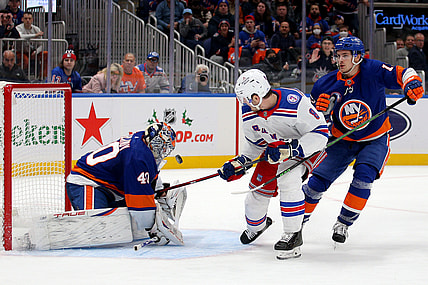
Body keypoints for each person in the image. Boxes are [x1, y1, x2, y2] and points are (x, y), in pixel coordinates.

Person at [303, 36, 424, 244]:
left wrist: (412, 83)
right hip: (340, 139)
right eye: (338, 55)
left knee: (364, 177)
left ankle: (343, 223)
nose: (340, 60)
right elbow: (310, 123)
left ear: (358, 57)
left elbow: (405, 73)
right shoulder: (324, 84)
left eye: (345, 55)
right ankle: (296, 220)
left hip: (375, 138)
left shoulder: (373, 69)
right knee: (317, 182)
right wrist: (319, 112)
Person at [218, 69, 328, 260]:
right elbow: (254, 145)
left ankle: (293, 235)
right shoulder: (249, 111)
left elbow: (321, 134)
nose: (243, 103)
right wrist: (240, 161)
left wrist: (293, 150)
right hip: (275, 150)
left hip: (306, 149)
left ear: (256, 94)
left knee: (288, 179)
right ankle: (257, 226)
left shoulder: (294, 102)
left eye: (245, 98)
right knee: (256, 192)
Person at [66, 122, 186, 246]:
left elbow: (148, 173)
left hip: (112, 189)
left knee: (119, 224)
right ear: (151, 140)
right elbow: (140, 205)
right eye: (158, 145)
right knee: (96, 230)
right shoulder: (138, 156)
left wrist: (160, 191)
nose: (161, 150)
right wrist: (153, 229)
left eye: (164, 147)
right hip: (87, 182)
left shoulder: (143, 142)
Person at [15, 11, 48, 77]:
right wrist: (35, 35)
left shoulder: (36, 29)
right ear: (22, 19)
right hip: (21, 51)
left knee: (46, 54)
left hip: (33, 51)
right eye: (26, 18)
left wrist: (36, 52)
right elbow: (20, 36)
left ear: (32, 20)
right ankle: (20, 76)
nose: (27, 20)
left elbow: (41, 44)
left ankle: (43, 76)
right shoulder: (18, 28)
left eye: (29, 19)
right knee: (25, 60)